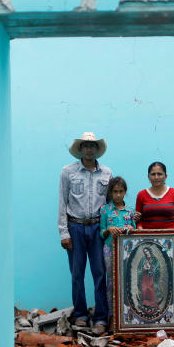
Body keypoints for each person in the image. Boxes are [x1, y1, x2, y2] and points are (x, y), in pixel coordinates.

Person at [58, 131, 112, 335]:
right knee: (77, 274)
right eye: (86, 146)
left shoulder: (106, 173)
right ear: (80, 149)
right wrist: (64, 232)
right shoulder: (68, 172)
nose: (89, 149)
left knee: (100, 273)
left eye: (93, 146)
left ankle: (100, 317)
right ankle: (80, 314)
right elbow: (62, 202)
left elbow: (109, 204)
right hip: (75, 227)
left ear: (97, 149)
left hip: (98, 228)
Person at [99, 176, 138, 320]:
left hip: (128, 251)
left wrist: (130, 228)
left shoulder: (130, 211)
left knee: (128, 280)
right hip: (109, 249)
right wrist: (109, 229)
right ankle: (112, 316)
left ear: (125, 192)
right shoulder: (105, 210)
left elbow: (135, 231)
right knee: (110, 281)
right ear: (110, 192)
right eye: (115, 191)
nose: (118, 195)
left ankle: (127, 317)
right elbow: (101, 232)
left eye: (121, 191)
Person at [135, 161, 174, 236]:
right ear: (148, 177)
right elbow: (138, 218)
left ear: (165, 176)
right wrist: (141, 230)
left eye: (159, 174)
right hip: (147, 239)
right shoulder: (141, 195)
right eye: (153, 174)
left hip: (171, 238)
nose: (156, 177)